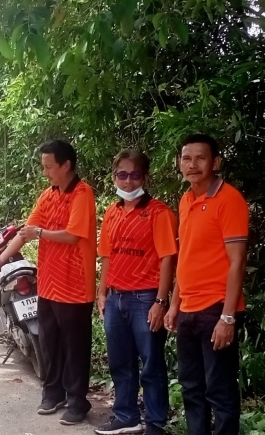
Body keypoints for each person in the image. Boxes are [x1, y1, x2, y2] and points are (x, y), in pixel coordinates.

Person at [0, 140, 97, 426]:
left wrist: (42, 233)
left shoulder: (82, 194)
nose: (45, 172)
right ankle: (53, 391)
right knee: (49, 342)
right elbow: (25, 233)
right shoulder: (48, 195)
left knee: (74, 347)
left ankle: (77, 401)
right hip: (48, 284)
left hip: (75, 286)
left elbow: (72, 235)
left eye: (49, 166)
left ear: (65, 165)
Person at [164, 133, 249, 435]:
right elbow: (185, 256)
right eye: (187, 158)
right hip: (188, 309)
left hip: (216, 309)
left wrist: (228, 317)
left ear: (216, 162)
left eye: (201, 158)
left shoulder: (229, 199)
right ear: (179, 163)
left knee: (220, 391)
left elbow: (237, 261)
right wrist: (174, 304)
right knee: (191, 389)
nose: (193, 164)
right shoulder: (186, 200)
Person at [95, 150, 177, 435]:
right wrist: (102, 292)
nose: (128, 181)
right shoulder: (112, 212)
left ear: (145, 177)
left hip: (145, 298)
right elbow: (107, 255)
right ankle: (126, 415)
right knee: (120, 362)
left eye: (135, 175)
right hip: (115, 297)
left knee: (151, 364)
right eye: (122, 174)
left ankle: (155, 422)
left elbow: (168, 257)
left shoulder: (159, 212)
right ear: (114, 176)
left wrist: (160, 301)